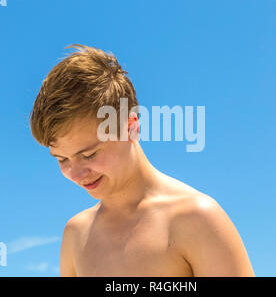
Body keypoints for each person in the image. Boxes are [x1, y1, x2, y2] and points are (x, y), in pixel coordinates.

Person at [29, 44, 255, 277]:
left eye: (89, 155)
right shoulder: (76, 235)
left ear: (131, 127)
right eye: (62, 159)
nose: (75, 174)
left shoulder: (196, 220)